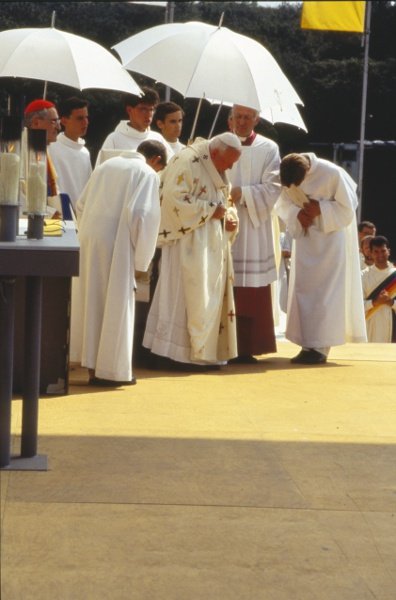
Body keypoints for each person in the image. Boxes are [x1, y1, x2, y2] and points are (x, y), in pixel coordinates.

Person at [143, 132, 241, 370]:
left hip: (211, 243)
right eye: (229, 161)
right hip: (185, 244)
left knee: (205, 300)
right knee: (181, 298)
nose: (230, 167)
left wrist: (228, 216)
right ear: (216, 152)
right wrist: (209, 210)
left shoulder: (217, 164)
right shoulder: (186, 161)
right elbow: (170, 199)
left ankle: (203, 353)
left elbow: (223, 200)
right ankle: (175, 355)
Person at [70, 146, 161, 386]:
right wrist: (142, 260)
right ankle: (111, 371)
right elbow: (144, 215)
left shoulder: (105, 166)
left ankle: (91, 366)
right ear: (156, 160)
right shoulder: (147, 173)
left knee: (92, 301)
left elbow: (80, 203)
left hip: (90, 237)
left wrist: (90, 228)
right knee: (117, 305)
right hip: (118, 242)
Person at [275, 152, 367, 364]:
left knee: (325, 294)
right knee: (302, 289)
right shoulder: (288, 172)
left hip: (330, 242)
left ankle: (321, 347)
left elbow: (348, 208)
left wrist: (321, 210)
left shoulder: (332, 173)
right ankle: (307, 344)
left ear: (307, 170)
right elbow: (281, 202)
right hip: (305, 238)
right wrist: (297, 215)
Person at [227, 104, 281, 363]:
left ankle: (248, 347)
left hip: (254, 228)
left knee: (252, 289)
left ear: (256, 120)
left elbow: (273, 187)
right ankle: (222, 346)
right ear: (231, 118)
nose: (242, 121)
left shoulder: (268, 148)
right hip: (224, 225)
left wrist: (242, 193)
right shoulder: (219, 143)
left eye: (248, 117)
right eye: (238, 116)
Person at [96, 87, 172, 165]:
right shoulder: (114, 139)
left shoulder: (158, 139)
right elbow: (102, 172)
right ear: (129, 110)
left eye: (151, 109)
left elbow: (171, 168)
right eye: (143, 109)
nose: (149, 115)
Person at [48, 96, 92, 210]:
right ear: (64, 120)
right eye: (79, 118)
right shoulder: (51, 148)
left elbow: (88, 190)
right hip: (58, 214)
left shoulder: (85, 153)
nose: (85, 122)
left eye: (86, 117)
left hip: (81, 215)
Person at [22, 99, 62, 215]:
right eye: (54, 121)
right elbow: (16, 194)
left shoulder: (42, 148)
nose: (59, 127)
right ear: (35, 123)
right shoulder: (19, 149)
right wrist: (52, 213)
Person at [362, 236, 396, 343]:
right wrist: (375, 302)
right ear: (371, 253)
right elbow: (356, 307)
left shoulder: (394, 275)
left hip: (392, 327)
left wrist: (391, 302)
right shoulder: (363, 276)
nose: (380, 255)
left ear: (388, 252)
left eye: (383, 251)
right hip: (370, 326)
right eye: (376, 252)